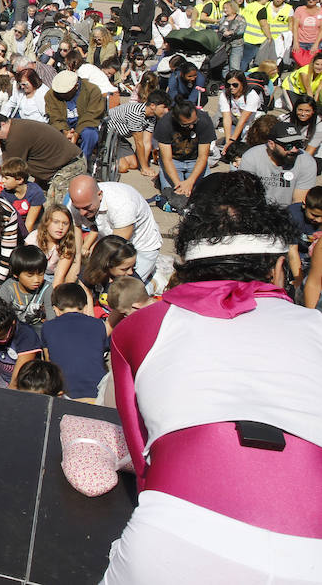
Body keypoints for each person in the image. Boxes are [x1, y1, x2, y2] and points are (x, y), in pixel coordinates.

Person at [103, 194, 322, 584]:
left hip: (174, 534)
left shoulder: (139, 327)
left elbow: (142, 457)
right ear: (275, 269)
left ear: (187, 266)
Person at [67, 175, 162, 285]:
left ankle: (153, 283)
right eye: (78, 208)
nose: (82, 213)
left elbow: (115, 248)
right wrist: (77, 262)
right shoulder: (76, 203)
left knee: (126, 289)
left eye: (87, 207)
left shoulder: (122, 203)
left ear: (100, 195)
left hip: (141, 245)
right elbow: (76, 227)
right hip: (107, 238)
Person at [0, 114, 88, 211]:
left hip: (69, 165)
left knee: (55, 211)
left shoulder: (16, 136)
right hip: (53, 169)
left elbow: (12, 169)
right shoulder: (16, 126)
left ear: (3, 124)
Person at [38, 283, 109, 403]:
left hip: (64, 392)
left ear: (55, 309)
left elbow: (48, 360)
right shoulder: (99, 325)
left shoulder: (47, 327)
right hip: (97, 392)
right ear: (85, 307)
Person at [240, 121, 317, 208]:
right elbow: (247, 195)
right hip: (257, 211)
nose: (294, 150)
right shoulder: (252, 157)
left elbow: (298, 205)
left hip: (288, 214)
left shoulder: (307, 162)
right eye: (288, 145)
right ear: (271, 144)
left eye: (298, 144)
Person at [0, 296, 42, 388]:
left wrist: (6, 397)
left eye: (0, 338)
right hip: (0, 377)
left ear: (12, 324)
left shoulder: (26, 336)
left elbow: (16, 381)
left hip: (23, 384)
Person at [44, 69, 105, 162]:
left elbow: (92, 114)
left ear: (76, 86)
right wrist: (64, 131)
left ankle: (83, 162)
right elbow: (54, 116)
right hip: (64, 123)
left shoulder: (92, 90)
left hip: (85, 122)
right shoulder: (51, 95)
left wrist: (77, 133)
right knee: (48, 134)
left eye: (66, 93)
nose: (62, 95)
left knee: (90, 134)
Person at [0, 244, 55, 328]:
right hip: (14, 327)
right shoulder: (8, 288)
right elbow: (2, 315)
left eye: (40, 274)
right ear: (16, 274)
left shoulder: (46, 287)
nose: (36, 280)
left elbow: (50, 313)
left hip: (36, 326)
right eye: (30, 275)